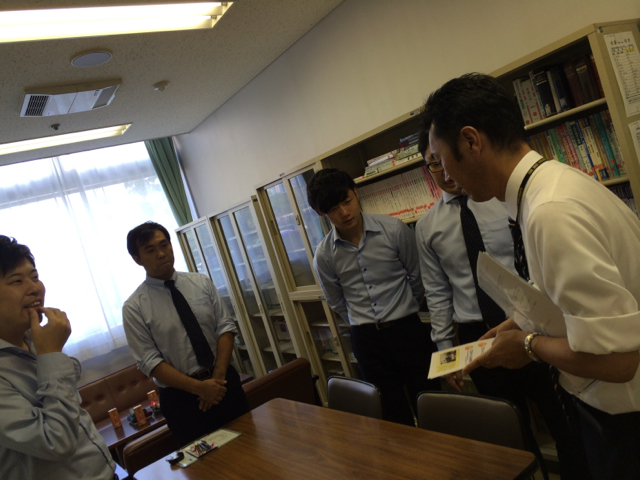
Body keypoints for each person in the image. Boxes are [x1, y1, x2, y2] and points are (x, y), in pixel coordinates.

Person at [423, 72, 640, 480]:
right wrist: (515, 323)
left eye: (440, 157)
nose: (445, 175)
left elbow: (619, 361)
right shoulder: (550, 183)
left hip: (625, 418)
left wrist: (526, 345)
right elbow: (565, 289)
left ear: (471, 141)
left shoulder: (549, 211)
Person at [415, 132, 590, 479]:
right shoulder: (426, 227)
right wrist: (446, 350)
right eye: (433, 164)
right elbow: (436, 293)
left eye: (444, 159)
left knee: (563, 420)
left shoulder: (504, 200)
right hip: (478, 337)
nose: (444, 172)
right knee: (511, 433)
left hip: (529, 325)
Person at [308, 168, 440, 426]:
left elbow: (417, 276)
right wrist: (362, 321)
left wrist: (404, 308)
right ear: (321, 213)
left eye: (347, 201)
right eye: (334, 209)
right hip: (367, 341)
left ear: (356, 193)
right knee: (390, 415)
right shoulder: (324, 255)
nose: (344, 212)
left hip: (407, 331)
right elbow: (336, 301)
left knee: (430, 403)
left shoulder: (394, 230)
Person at [0, 235, 117, 480]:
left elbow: (70, 385)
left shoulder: (34, 339)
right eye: (17, 281)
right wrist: (51, 355)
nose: (35, 288)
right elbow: (56, 440)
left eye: (34, 276)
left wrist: (50, 353)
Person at [123, 221, 249, 446]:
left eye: (164, 245)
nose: (161, 254)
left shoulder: (201, 282)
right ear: (137, 259)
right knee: (205, 462)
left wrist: (217, 379)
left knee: (250, 444)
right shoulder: (134, 307)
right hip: (182, 399)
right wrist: (200, 388)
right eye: (150, 250)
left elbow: (225, 326)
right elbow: (150, 362)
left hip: (223, 383)